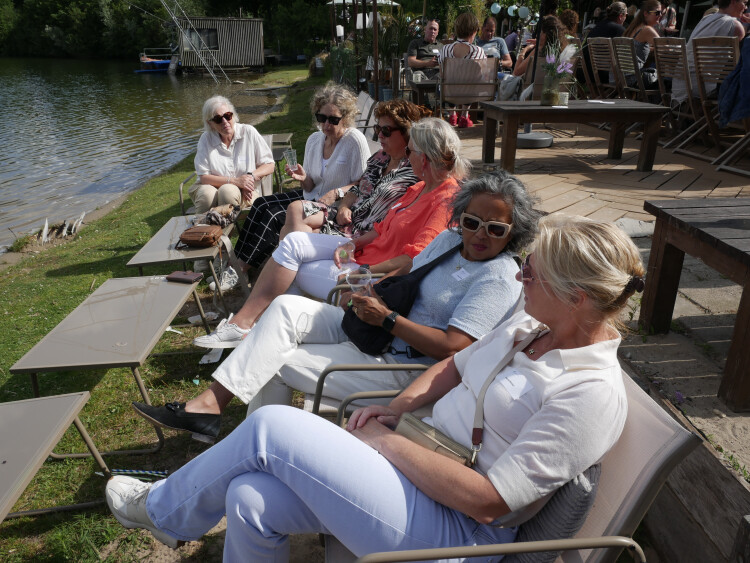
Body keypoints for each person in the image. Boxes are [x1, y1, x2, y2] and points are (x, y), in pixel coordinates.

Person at [106, 215, 645, 560]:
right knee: (249, 500)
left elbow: (490, 501)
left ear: (576, 297)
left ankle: (162, 512)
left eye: (532, 272)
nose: (520, 277)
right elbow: (454, 368)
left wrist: (385, 442)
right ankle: (172, 509)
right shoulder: (532, 327)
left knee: (270, 427)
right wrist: (395, 409)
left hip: (460, 534)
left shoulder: (590, 392)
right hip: (420, 471)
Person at [131, 170, 540, 443]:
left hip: (406, 368)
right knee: (286, 307)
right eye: (471, 221)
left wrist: (388, 318)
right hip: (379, 333)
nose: (479, 234)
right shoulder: (451, 241)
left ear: (514, 232)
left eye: (495, 228)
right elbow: (411, 277)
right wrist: (370, 290)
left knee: (273, 360)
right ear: (461, 217)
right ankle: (215, 409)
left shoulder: (498, 276)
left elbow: (454, 348)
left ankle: (251, 442)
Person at [185, 117, 466, 352]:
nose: (407, 155)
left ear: (424, 158)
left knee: (291, 267)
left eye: (411, 151)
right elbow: (381, 229)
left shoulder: (445, 200)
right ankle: (255, 328)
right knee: (292, 243)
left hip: (376, 274)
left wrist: (366, 272)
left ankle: (255, 329)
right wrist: (354, 243)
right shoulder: (419, 188)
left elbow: (415, 258)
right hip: (364, 253)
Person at [230, 82, 370, 280]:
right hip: (312, 195)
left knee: (273, 215)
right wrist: (303, 178)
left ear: (345, 118)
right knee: (261, 203)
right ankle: (235, 260)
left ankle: (241, 269)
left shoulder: (354, 141)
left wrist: (336, 193)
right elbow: (310, 185)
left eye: (333, 119)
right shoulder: (314, 140)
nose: (326, 125)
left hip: (335, 206)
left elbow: (364, 183)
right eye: (321, 118)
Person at [279, 99, 422, 240]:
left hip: (360, 233)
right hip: (346, 218)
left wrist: (355, 242)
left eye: (386, 130)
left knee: (295, 231)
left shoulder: (413, 171)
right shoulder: (380, 157)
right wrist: (344, 206)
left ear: (406, 132)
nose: (379, 135)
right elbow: (359, 187)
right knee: (295, 213)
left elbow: (397, 221)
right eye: (378, 129)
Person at [189, 95, 275, 215]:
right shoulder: (206, 139)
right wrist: (235, 181)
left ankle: (225, 226)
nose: (225, 122)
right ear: (210, 123)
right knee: (207, 195)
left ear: (233, 115)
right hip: (211, 186)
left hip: (244, 190)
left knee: (227, 192)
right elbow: (204, 177)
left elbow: (269, 164)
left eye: (227, 116)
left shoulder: (248, 132)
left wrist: (249, 179)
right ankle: (201, 225)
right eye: (218, 119)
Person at [671, 0, 748, 105]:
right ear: (733, 2)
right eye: (744, 3)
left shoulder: (706, 19)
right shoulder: (735, 26)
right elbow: (744, 59)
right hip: (705, 88)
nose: (746, 7)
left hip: (682, 85)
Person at [439, 12, 486, 128]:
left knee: (450, 81)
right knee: (470, 81)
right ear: (474, 31)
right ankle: (464, 115)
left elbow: (442, 73)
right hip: (469, 93)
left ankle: (452, 115)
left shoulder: (445, 49)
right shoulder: (478, 51)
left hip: (448, 92)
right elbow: (482, 74)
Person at [583, 2, 628, 85]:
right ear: (621, 16)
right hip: (605, 76)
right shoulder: (619, 29)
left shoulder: (597, 27)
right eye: (626, 15)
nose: (626, 18)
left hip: (588, 73)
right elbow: (626, 53)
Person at [622, 0, 662, 87]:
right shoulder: (647, 29)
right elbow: (664, 48)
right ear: (646, 13)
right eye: (657, 13)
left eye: (661, 13)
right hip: (633, 79)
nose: (660, 15)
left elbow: (636, 49)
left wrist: (651, 49)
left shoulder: (634, 28)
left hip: (621, 78)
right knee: (667, 80)